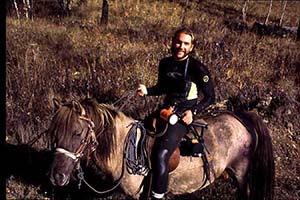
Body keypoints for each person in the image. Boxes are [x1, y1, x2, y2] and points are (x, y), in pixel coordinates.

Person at [137, 27, 215, 200]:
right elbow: (163, 87)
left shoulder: (197, 68)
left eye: (186, 44)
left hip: (182, 115)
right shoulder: (165, 63)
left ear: (192, 47)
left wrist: (192, 112)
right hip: (166, 110)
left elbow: (210, 97)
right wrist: (147, 91)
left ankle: (157, 196)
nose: (181, 46)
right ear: (172, 42)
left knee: (161, 154)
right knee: (138, 136)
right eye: (178, 42)